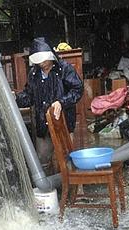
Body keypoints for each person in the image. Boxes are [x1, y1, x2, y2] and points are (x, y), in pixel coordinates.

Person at [15, 37, 83, 174]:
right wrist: (15, 98)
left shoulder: (64, 69)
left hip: (62, 121)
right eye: (38, 60)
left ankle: (73, 188)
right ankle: (49, 188)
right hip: (42, 121)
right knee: (43, 159)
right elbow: (30, 96)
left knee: (66, 156)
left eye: (44, 59)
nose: (42, 63)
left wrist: (61, 102)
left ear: (51, 56)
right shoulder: (34, 74)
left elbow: (77, 89)